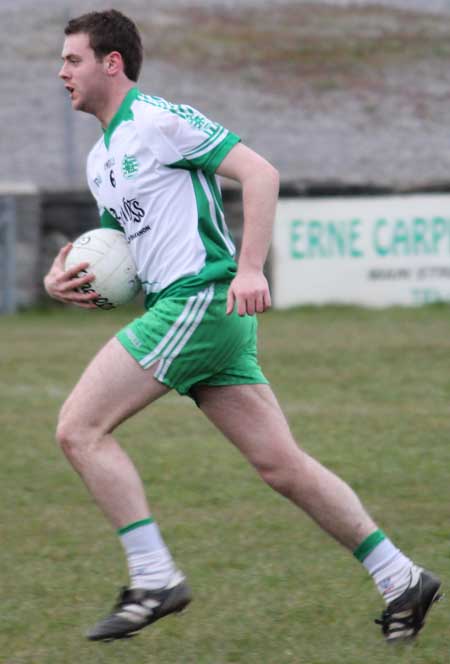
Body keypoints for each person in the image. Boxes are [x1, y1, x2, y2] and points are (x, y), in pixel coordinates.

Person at [44, 9, 441, 644]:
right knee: (282, 466)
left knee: (78, 429)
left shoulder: (159, 120)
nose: (60, 71)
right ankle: (401, 577)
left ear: (110, 63)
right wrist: (64, 281)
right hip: (188, 313)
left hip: (199, 302)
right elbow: (120, 249)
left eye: (72, 59)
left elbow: (260, 172)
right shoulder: (101, 158)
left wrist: (250, 269)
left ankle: (154, 577)